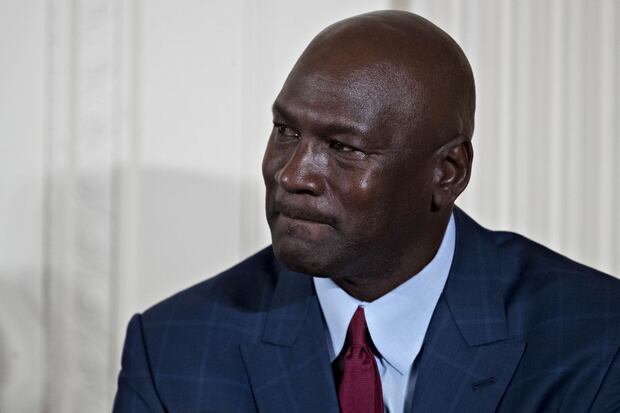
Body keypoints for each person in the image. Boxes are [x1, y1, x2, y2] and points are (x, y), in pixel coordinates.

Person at [113, 10, 620, 413]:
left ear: (447, 173)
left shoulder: (595, 339)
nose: (292, 175)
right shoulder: (173, 351)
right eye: (286, 132)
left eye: (343, 148)